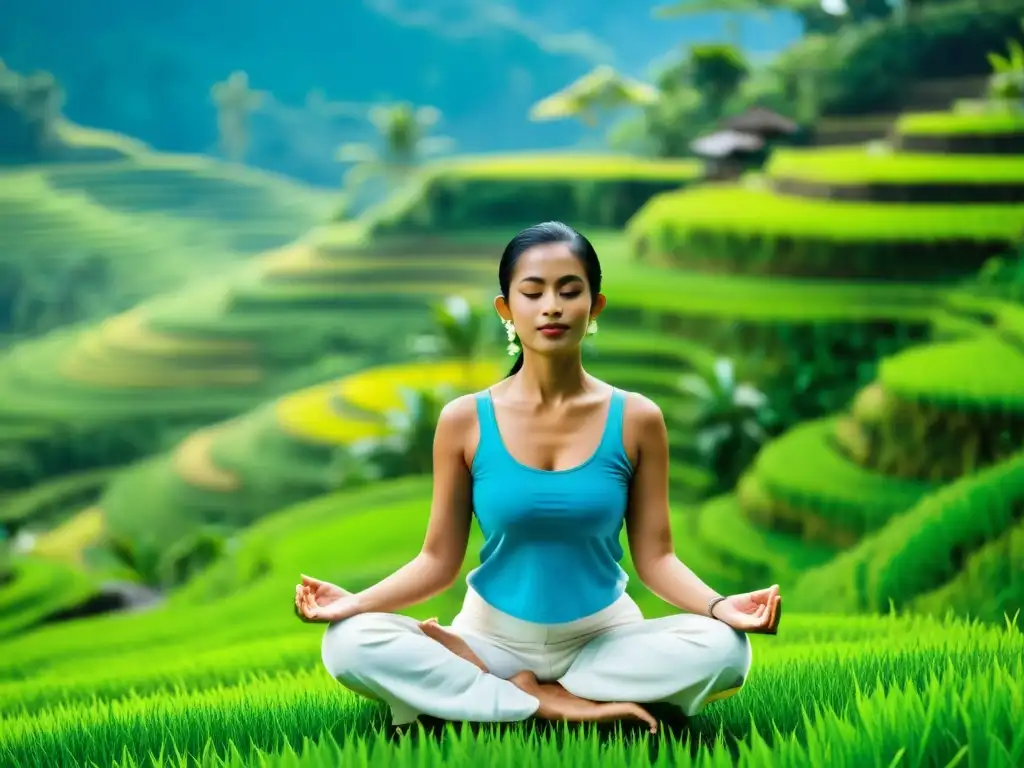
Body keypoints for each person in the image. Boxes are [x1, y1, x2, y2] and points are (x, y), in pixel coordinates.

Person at [295, 221, 782, 734]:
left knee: (727, 650)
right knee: (348, 643)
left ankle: (508, 695)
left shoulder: (638, 418)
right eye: (533, 292)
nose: (551, 306)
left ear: (595, 307)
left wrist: (720, 606)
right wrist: (355, 603)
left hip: (604, 644)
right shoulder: (465, 420)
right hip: (492, 641)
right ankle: (537, 702)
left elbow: (657, 559)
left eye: (570, 291)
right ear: (507, 310)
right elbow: (437, 561)